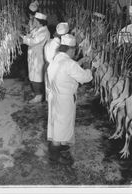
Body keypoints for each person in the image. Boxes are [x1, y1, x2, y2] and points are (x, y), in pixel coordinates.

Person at [47, 34, 94, 165]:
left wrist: (79, 62)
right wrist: (89, 68)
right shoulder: (69, 64)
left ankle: (60, 146)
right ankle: (55, 156)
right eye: (74, 51)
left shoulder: (56, 59)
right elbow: (85, 78)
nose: (74, 53)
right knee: (62, 126)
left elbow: (68, 68)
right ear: (71, 50)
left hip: (55, 96)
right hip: (65, 99)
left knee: (57, 124)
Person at [21, 12, 50, 103]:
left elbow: (33, 41)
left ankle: (39, 95)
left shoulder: (44, 32)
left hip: (39, 57)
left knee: (37, 77)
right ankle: (38, 94)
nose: (34, 23)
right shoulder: (37, 29)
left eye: (36, 21)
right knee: (34, 76)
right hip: (34, 56)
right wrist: (23, 36)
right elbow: (30, 36)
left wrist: (23, 38)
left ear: (41, 22)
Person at [44, 22, 69, 100]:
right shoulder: (59, 45)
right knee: (55, 89)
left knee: (48, 87)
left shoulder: (49, 41)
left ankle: (49, 104)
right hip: (55, 68)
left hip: (47, 66)